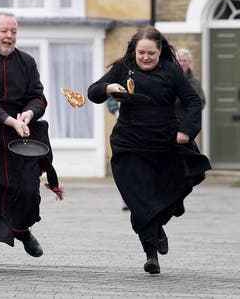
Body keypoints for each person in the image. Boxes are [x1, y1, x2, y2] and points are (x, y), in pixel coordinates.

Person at [87, 26, 211, 275]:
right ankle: (151, 254)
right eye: (141, 52)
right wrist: (109, 88)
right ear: (135, 51)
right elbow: (93, 92)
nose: (145, 58)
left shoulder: (171, 70)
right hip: (129, 146)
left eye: (151, 54)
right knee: (139, 201)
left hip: (165, 144)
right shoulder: (124, 68)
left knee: (175, 188)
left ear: (160, 51)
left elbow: (193, 101)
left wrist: (186, 130)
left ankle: (160, 222)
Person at [0, 12, 63, 273]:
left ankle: (21, 229)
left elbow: (38, 97)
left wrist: (29, 113)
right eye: (4, 31)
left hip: (22, 138)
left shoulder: (27, 62)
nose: (9, 36)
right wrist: (9, 120)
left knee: (27, 190)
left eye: (13, 32)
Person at [175, 48, 206, 122]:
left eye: (184, 60)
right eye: (179, 60)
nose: (182, 63)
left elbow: (201, 101)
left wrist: (191, 112)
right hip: (170, 123)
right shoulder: (169, 79)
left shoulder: (195, 82)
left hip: (188, 122)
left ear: (189, 62)